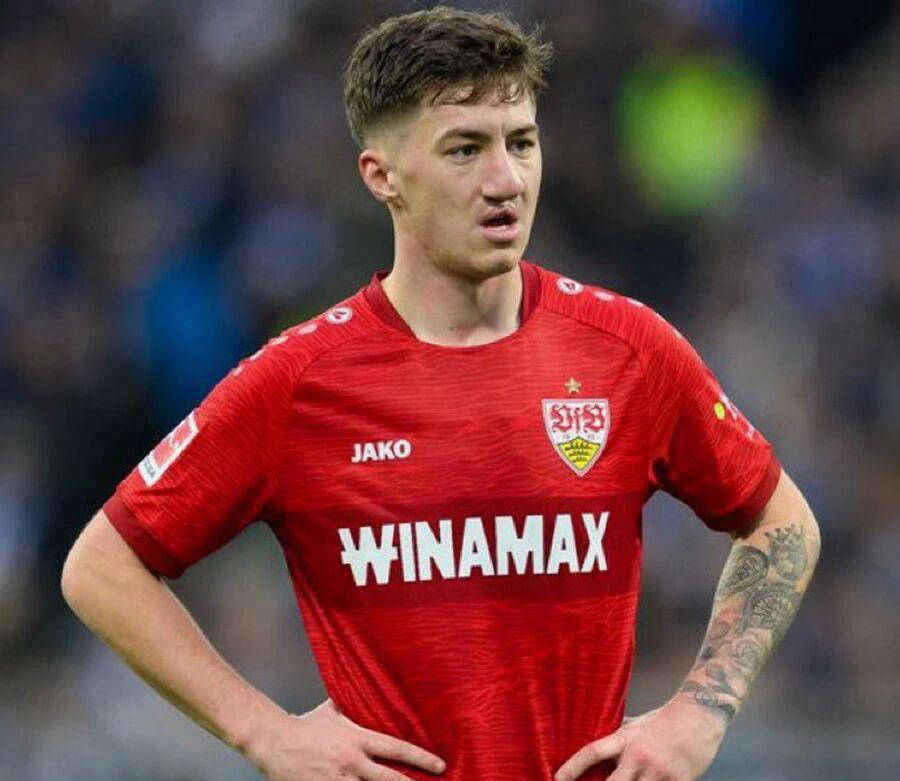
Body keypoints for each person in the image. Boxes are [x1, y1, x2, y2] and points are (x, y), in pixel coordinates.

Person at [61, 7, 820, 781]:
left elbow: (781, 518)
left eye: (521, 142)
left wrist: (703, 707)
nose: (506, 179)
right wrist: (263, 731)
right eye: (465, 149)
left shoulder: (629, 349)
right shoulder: (298, 381)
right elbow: (102, 567)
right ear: (382, 176)